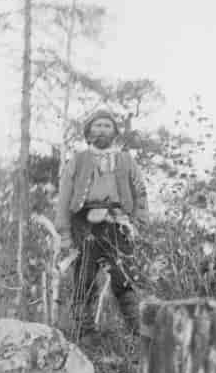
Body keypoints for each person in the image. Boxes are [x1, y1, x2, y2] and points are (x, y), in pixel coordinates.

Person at [55, 108, 148, 341]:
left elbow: (140, 191)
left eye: (107, 126)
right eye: (97, 125)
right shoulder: (77, 160)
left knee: (123, 276)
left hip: (118, 223)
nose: (102, 130)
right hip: (84, 224)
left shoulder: (126, 160)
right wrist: (64, 233)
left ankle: (138, 334)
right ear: (88, 132)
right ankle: (84, 334)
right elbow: (65, 196)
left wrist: (139, 222)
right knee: (84, 276)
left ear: (115, 132)